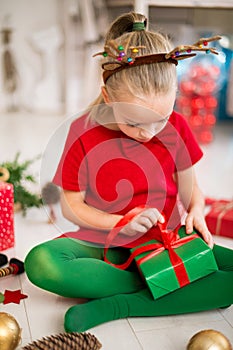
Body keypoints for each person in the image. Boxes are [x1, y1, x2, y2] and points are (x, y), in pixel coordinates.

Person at [25, 12, 233, 332]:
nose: (148, 133)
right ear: (108, 97)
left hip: (167, 238)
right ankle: (165, 283)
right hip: (105, 242)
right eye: (134, 122)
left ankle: (123, 302)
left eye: (160, 120)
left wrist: (196, 212)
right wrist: (121, 223)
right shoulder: (83, 132)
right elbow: (71, 205)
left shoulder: (176, 127)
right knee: (40, 262)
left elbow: (191, 187)